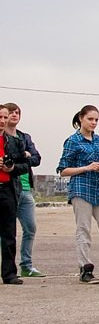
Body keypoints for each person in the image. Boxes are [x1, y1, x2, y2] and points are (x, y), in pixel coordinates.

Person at [57, 105, 99, 284]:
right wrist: (86, 167)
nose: (94, 123)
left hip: (98, 188)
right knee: (84, 229)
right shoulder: (73, 141)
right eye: (90, 119)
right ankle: (85, 267)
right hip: (81, 187)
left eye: (96, 120)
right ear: (81, 119)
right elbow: (62, 170)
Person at [4, 103, 45, 278]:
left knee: (30, 228)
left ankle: (26, 265)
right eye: (10, 112)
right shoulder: (2, 138)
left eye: (17, 112)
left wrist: (24, 157)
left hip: (25, 190)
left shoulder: (24, 137)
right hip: (7, 188)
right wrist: (23, 156)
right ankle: (6, 267)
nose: (14, 115)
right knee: (6, 231)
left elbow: (36, 158)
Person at [1, 104, 32, 285]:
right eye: (0, 117)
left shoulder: (14, 141)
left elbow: (25, 166)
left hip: (7, 190)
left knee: (8, 234)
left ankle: (9, 274)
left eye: (5, 117)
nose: (3, 121)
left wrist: (11, 167)